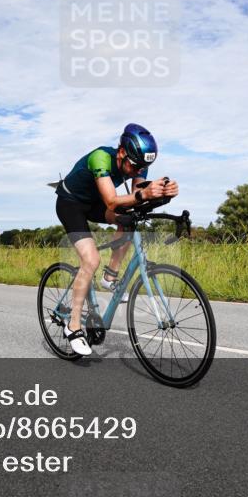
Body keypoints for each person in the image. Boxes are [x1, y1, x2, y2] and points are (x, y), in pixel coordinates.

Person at [54, 123, 178, 355]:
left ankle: (110, 278)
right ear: (121, 152)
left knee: (129, 221)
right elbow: (112, 201)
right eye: (134, 166)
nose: (136, 171)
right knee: (90, 260)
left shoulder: (136, 163)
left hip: (95, 204)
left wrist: (162, 193)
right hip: (71, 204)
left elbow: (137, 197)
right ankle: (73, 327)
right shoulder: (101, 158)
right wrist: (144, 193)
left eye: (143, 167)